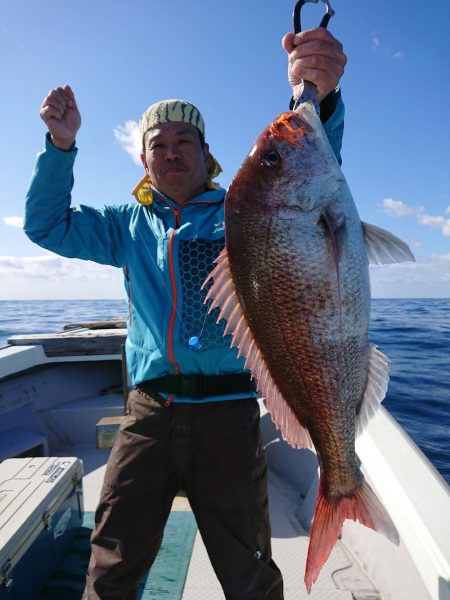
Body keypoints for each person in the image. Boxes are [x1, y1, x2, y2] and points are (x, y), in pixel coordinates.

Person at [24, 27, 346, 600]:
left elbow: (309, 183)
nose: (172, 152)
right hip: (150, 410)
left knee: (248, 569)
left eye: (184, 141)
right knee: (112, 562)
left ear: (206, 154)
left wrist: (317, 99)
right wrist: (60, 148)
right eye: (159, 143)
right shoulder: (124, 225)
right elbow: (46, 226)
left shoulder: (248, 206)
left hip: (228, 413)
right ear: (144, 158)